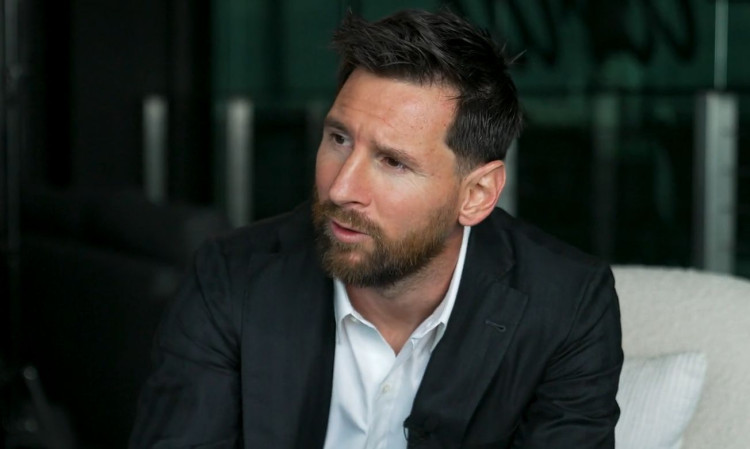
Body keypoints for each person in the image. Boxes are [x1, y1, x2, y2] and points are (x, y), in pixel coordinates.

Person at [130, 9, 622, 449]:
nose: (341, 188)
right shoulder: (231, 276)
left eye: (393, 162)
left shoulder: (567, 305)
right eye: (338, 138)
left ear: (476, 194)